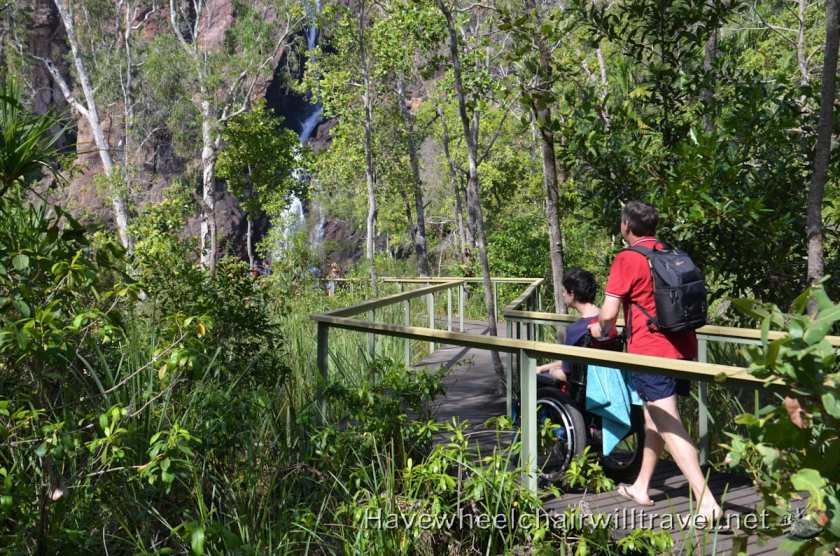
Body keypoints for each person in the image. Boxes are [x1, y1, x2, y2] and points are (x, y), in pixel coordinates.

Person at [588, 201, 721, 521]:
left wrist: (599, 329)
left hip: (651, 351)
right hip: (683, 345)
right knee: (654, 418)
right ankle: (642, 486)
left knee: (668, 422)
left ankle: (706, 502)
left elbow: (608, 314)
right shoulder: (669, 251)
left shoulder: (627, 258)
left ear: (626, 227)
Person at [536, 268, 617, 381]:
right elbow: (570, 363)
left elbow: (566, 373)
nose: (563, 295)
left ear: (572, 293)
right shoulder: (606, 322)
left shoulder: (575, 330)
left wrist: (552, 371)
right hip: (607, 381)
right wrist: (543, 367)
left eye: (564, 291)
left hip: (582, 387)